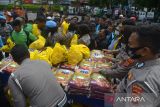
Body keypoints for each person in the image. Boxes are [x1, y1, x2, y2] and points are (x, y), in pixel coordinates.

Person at [115, 25, 160, 107]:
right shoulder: (144, 62)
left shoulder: (142, 81)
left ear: (144, 51)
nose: (127, 47)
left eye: (130, 44)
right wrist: (123, 89)